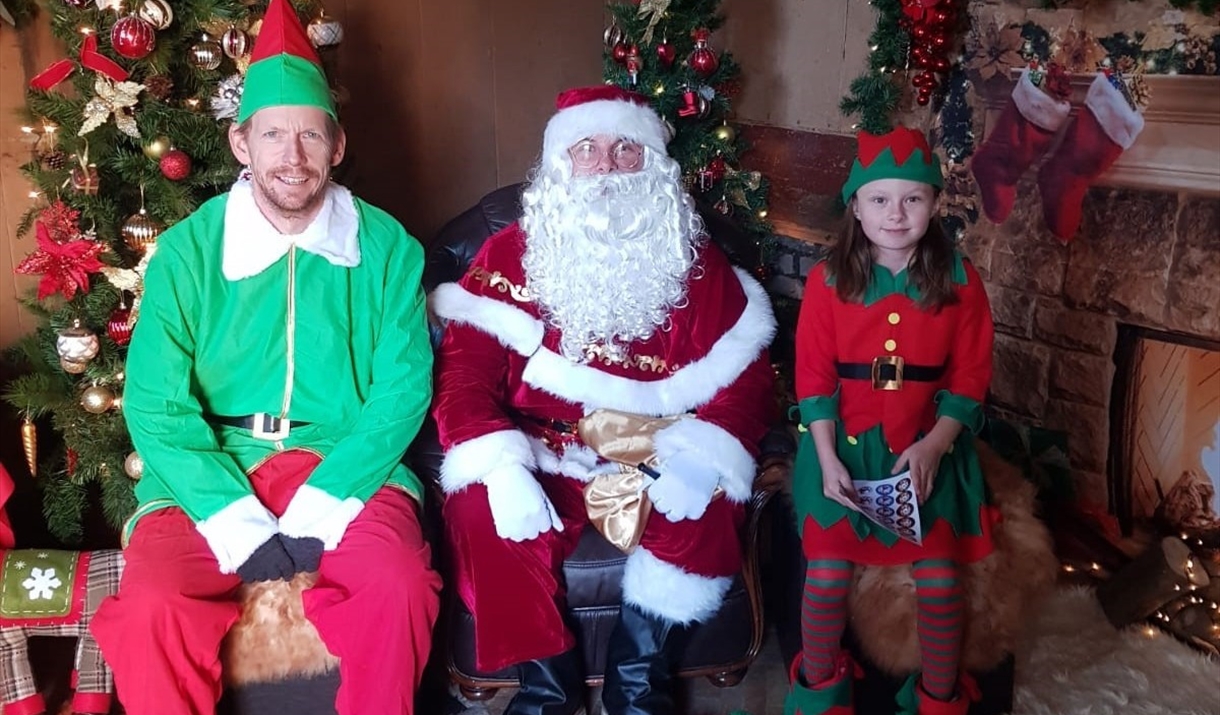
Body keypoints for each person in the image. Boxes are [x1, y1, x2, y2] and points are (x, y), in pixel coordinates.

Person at [89, 1, 441, 713]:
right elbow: (155, 403)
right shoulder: (187, 250)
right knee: (155, 602)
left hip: (343, 457)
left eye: (310, 135)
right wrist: (230, 516)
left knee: (398, 581)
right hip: (210, 459)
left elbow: (401, 391)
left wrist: (326, 503)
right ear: (240, 142)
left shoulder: (389, 247)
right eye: (273, 134)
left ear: (337, 146)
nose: (293, 156)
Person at [429, 85, 776, 714]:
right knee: (482, 511)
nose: (608, 166)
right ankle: (548, 688)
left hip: (654, 452)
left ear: (655, 165)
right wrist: (501, 464)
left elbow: (746, 378)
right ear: (560, 164)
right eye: (587, 149)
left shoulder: (694, 262)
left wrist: (701, 456)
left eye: (626, 149)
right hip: (543, 449)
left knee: (710, 504)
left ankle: (638, 684)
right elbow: (463, 375)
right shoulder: (506, 256)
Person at [786, 127, 1000, 715]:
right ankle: (823, 694)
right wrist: (826, 460)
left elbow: (969, 380)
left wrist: (935, 446)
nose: (896, 213)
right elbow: (813, 383)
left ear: (934, 204)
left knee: (939, 583)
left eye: (913, 198)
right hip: (843, 452)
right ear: (856, 206)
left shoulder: (961, 281)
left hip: (923, 450)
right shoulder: (827, 281)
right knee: (826, 577)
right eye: (880, 199)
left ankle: (937, 697)